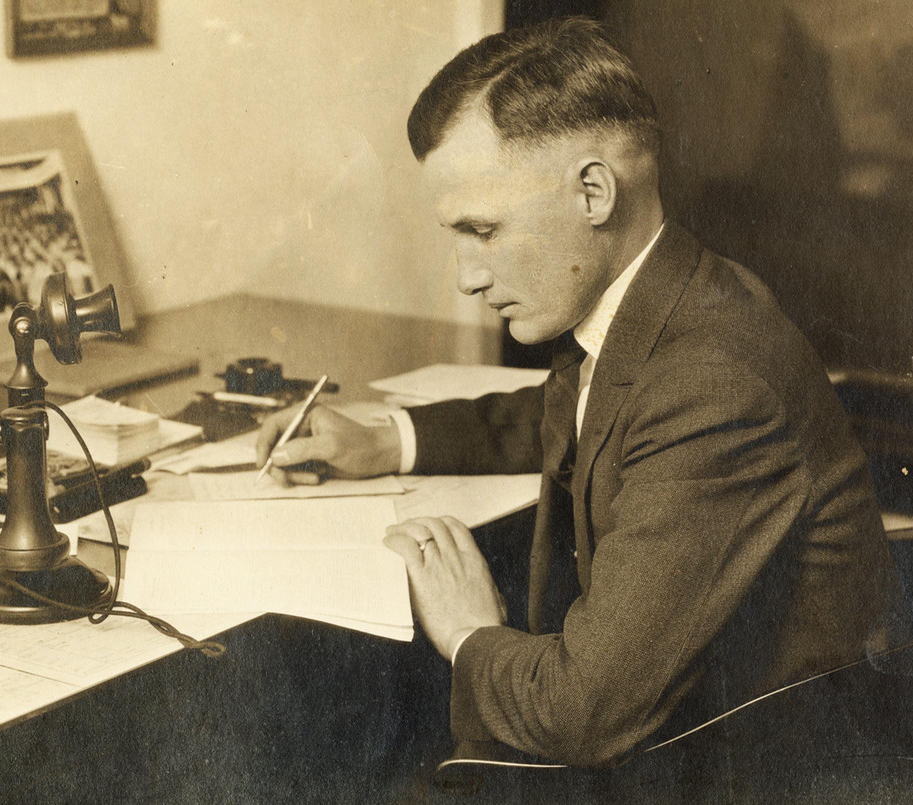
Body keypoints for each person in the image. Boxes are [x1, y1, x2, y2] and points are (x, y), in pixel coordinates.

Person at [255, 18, 906, 770]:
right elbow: (584, 413)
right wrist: (387, 437)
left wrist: (469, 630)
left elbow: (578, 715)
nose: (465, 275)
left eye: (483, 229)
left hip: (738, 771)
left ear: (594, 190)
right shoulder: (671, 296)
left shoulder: (716, 382)